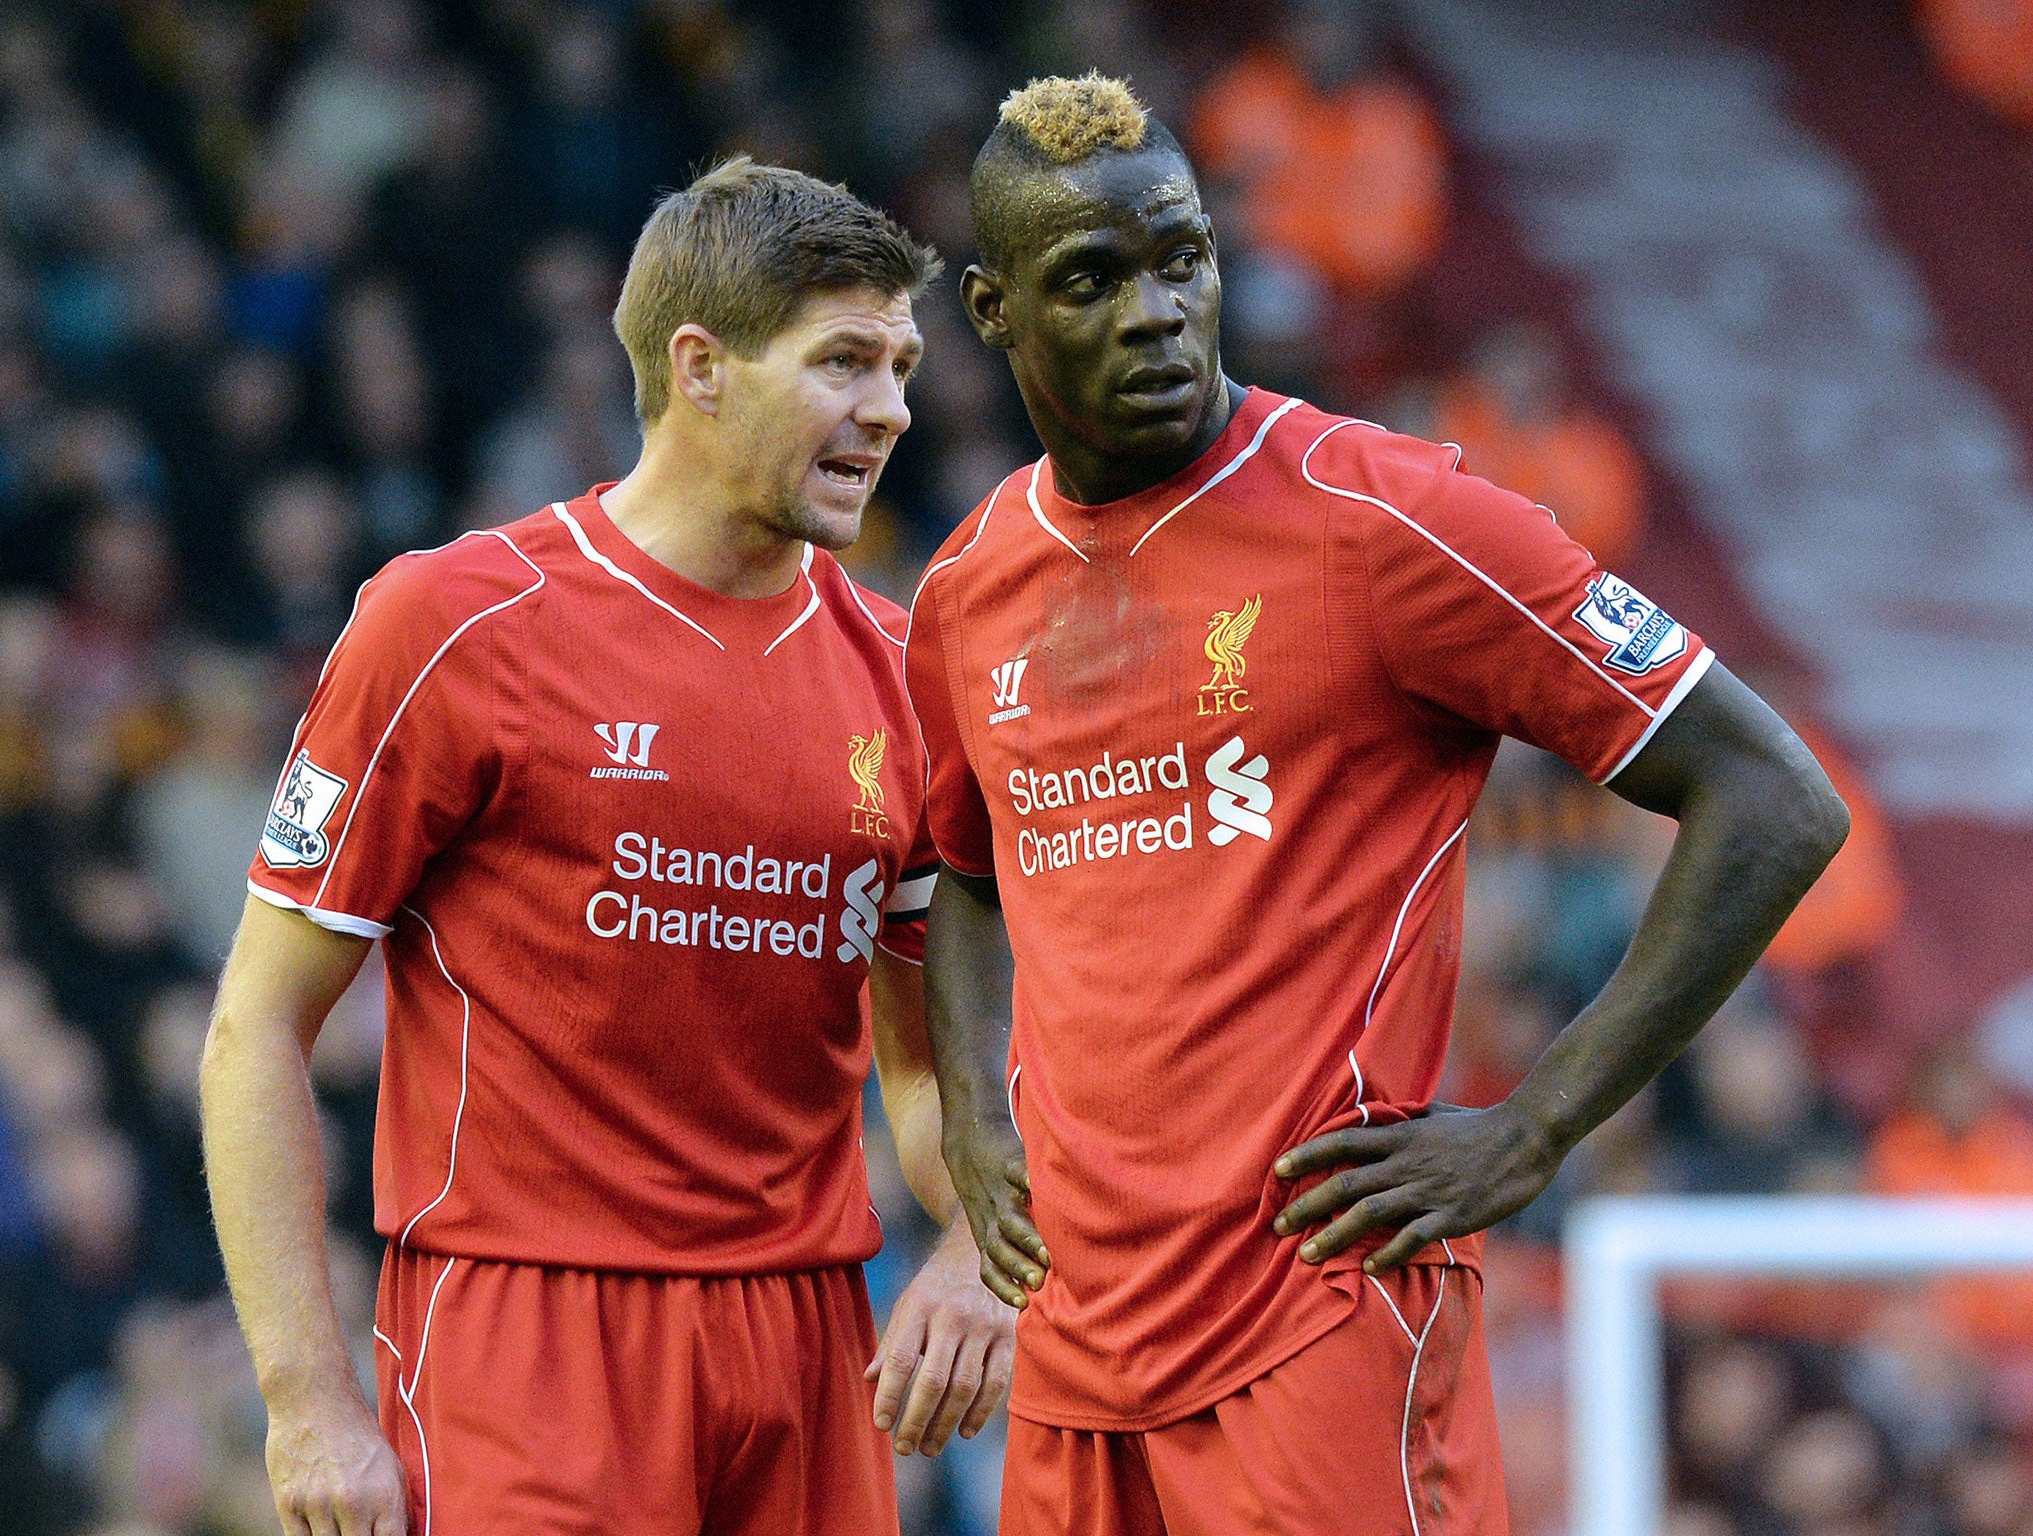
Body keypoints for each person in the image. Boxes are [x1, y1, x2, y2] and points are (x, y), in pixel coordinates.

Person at [903, 75, 1848, 1535]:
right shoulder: (970, 588)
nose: (1156, 309)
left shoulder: (1389, 521)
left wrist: (1536, 1126)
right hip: (1078, 1340)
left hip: (1321, 1317)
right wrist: (972, 1114)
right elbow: (957, 869)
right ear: (992, 310)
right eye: (1092, 280)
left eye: (1183, 258)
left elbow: (1771, 798)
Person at [201, 158, 1015, 1536]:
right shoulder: (452, 623)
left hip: (811, 1351)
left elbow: (931, 1075)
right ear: (700, 369)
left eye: (901, 364)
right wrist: (308, 1402)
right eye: (843, 362)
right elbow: (254, 1030)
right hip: (527, 1336)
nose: (890, 409)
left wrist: (987, 1253)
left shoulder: (905, 675)